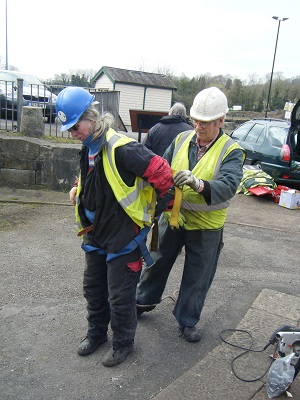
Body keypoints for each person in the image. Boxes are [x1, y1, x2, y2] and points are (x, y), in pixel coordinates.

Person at [56, 87, 174, 367]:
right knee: (93, 288)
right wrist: (77, 188)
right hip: (95, 232)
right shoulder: (87, 148)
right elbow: (94, 178)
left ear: (92, 117)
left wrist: (158, 210)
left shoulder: (123, 147)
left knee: (120, 295)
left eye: (76, 126)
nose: (73, 133)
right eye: (69, 129)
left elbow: (162, 173)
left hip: (123, 236)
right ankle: (97, 334)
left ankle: (123, 343)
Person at [136, 87, 246, 342]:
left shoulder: (231, 150)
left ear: (221, 121)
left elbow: (229, 185)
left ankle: (187, 321)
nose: (199, 126)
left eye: (206, 122)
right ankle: (142, 301)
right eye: (196, 120)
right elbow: (160, 168)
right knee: (157, 260)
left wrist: (199, 184)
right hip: (173, 217)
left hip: (206, 225)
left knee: (198, 276)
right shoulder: (182, 139)